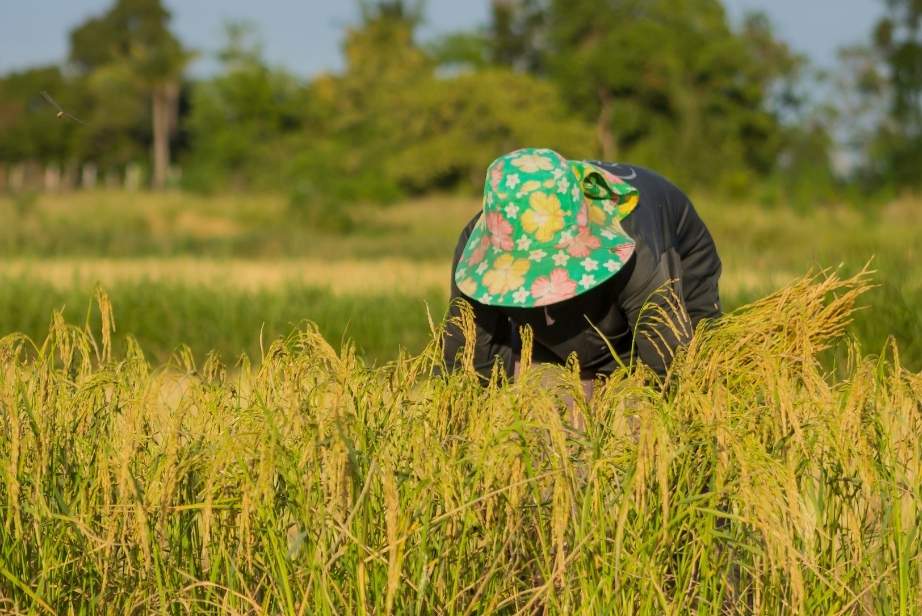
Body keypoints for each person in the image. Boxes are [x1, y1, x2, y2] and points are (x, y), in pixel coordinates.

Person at [442, 147, 721, 386]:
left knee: (690, 356)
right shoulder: (480, 240)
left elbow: (670, 352)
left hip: (669, 239)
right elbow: (468, 351)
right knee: (556, 355)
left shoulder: (635, 237)